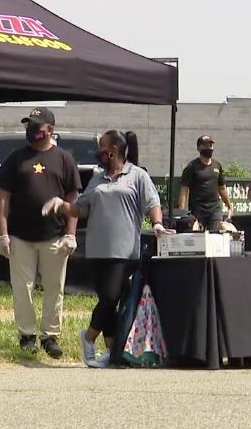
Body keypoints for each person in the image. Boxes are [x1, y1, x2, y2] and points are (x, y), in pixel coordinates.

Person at [45, 130, 172, 368]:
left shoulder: (136, 176)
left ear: (113, 150)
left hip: (124, 252)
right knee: (108, 300)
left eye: (102, 146)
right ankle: (113, 353)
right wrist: (61, 205)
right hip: (97, 250)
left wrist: (156, 224)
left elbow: (153, 203)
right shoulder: (98, 178)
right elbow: (80, 209)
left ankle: (89, 336)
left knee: (112, 297)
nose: (99, 151)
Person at [0, 107, 81, 358]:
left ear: (50, 130)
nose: (31, 131)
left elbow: (72, 199)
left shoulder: (64, 159)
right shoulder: (16, 158)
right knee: (23, 287)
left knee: (55, 287)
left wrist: (71, 234)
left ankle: (50, 336)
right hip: (21, 235)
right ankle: (27, 334)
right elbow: (3, 199)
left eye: (36, 126)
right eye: (29, 126)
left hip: (54, 234)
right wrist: (3, 233)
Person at [177, 135, 233, 231]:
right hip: (198, 210)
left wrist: (229, 206)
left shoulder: (217, 166)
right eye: (206, 145)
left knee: (215, 235)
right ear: (199, 148)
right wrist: (181, 210)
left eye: (210, 145)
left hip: (214, 210)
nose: (209, 148)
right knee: (198, 238)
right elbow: (184, 191)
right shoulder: (191, 167)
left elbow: (222, 188)